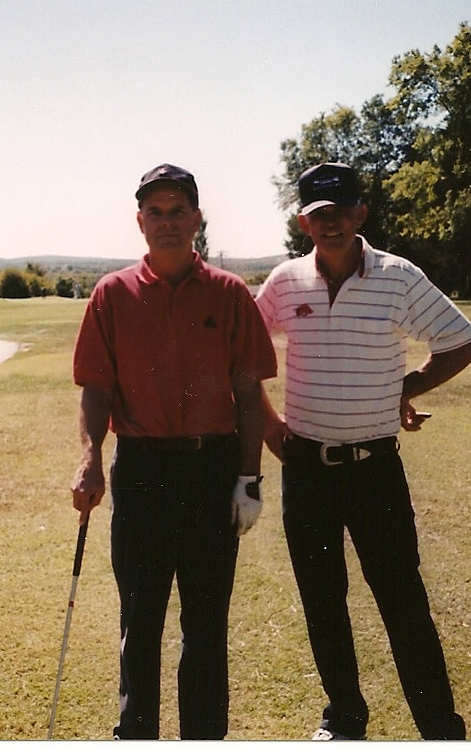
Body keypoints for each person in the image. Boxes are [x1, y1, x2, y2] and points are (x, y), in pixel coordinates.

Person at [255, 162, 471, 741]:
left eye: (340, 212)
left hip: (374, 469)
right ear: (304, 222)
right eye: (317, 215)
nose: (330, 224)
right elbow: (243, 356)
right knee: (322, 600)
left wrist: (402, 388)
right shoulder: (284, 282)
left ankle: (440, 727)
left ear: (360, 213)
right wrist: (268, 425)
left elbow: (463, 342)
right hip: (306, 469)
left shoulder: (397, 277)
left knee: (403, 600)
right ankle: (345, 716)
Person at [71, 163, 278, 739]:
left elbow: (247, 392)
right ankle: (135, 736)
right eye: (155, 212)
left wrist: (249, 479)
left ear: (197, 219)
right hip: (142, 472)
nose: (167, 222)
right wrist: (89, 459)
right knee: (140, 621)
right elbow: (96, 388)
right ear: (140, 222)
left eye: (178, 211)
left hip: (211, 471)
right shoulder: (111, 294)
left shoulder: (231, 294)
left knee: (206, 624)